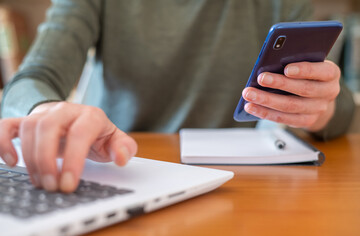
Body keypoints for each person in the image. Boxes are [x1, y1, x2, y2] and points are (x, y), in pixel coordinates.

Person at [0, 0, 355, 193]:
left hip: (238, 183)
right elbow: (32, 79)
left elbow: (343, 113)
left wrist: (319, 109)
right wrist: (44, 110)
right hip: (120, 168)